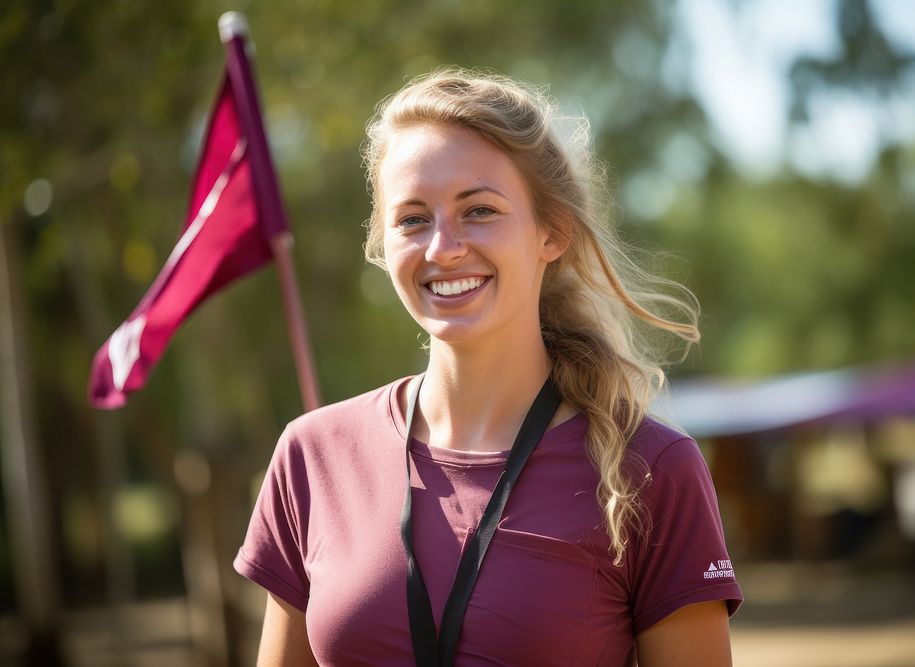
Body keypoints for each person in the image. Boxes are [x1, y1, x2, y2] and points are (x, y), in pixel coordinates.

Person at [235, 68, 742, 666]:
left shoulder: (652, 469)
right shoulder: (313, 453)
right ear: (382, 244)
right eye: (412, 218)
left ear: (553, 232)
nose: (442, 247)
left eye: (478, 210)